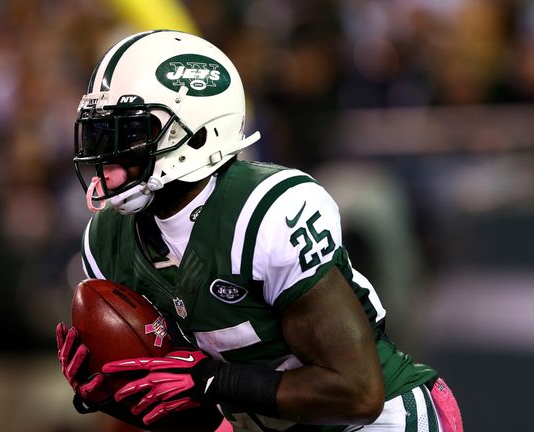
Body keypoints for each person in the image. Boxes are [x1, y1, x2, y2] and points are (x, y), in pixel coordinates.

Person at [55, 29, 462, 432]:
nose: (106, 154)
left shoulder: (264, 211)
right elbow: (196, 411)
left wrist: (215, 381)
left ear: (197, 131)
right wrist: (119, 395)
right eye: (99, 133)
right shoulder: (107, 240)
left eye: (128, 133)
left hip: (379, 420)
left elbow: (357, 392)